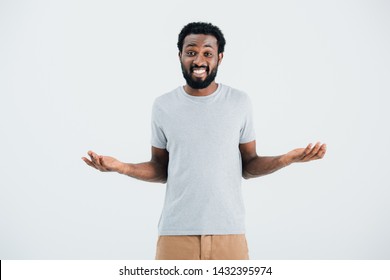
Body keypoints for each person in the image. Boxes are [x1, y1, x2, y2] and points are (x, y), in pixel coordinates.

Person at [82, 22, 327, 260]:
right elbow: (160, 168)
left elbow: (249, 165)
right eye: (191, 52)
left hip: (229, 235)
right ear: (180, 56)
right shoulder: (164, 106)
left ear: (219, 57)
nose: (199, 60)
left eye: (207, 53)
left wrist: (287, 159)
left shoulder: (239, 102)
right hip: (175, 235)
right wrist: (120, 167)